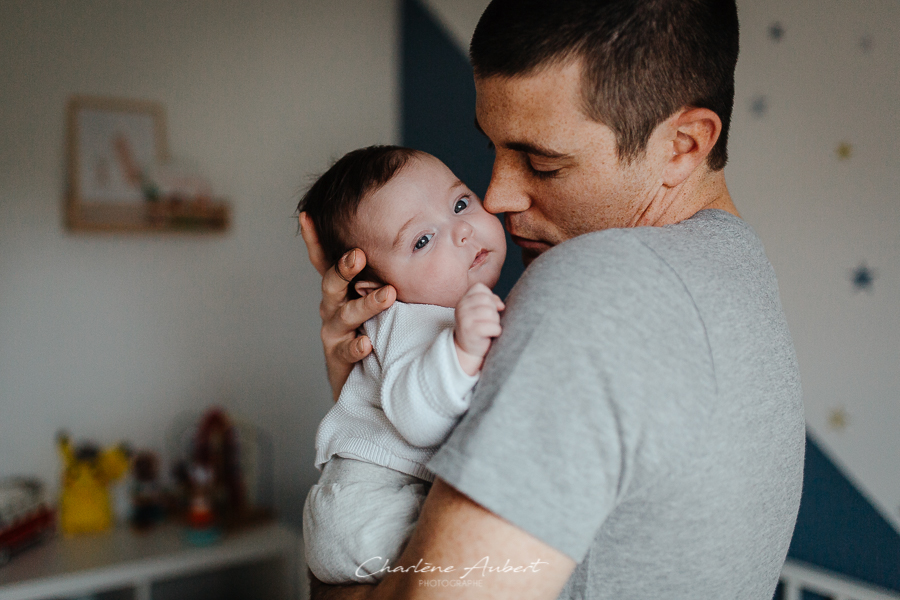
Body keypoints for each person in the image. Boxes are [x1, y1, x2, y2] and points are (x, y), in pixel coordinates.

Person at [299, 1, 805, 598]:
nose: (497, 196)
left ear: (684, 145)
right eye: (493, 151)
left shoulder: (593, 285)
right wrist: (370, 387)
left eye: (542, 162)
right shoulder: (738, 271)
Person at [298, 146, 507, 584]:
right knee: (470, 566)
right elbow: (418, 421)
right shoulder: (411, 318)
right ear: (379, 288)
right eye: (423, 240)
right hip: (366, 504)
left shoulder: (449, 310)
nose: (463, 231)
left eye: (460, 203)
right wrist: (462, 351)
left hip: (384, 499)